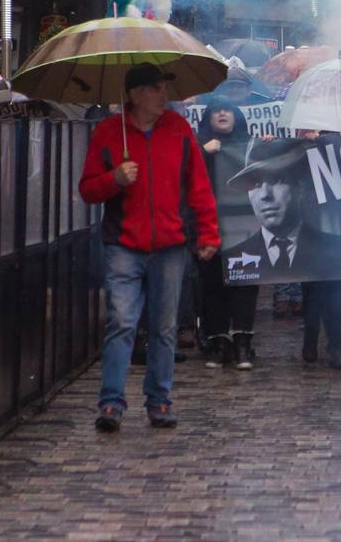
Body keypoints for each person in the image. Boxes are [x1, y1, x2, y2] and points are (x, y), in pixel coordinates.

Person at [80, 63, 220, 432]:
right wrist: (115, 178)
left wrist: (208, 233)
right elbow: (87, 189)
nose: (165, 96)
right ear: (136, 94)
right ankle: (111, 403)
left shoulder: (179, 130)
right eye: (157, 89)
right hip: (124, 244)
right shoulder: (109, 133)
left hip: (171, 245)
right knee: (122, 322)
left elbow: (198, 186)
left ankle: (159, 400)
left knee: (165, 326)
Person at [226, 138, 341, 370]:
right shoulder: (238, 253)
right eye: (255, 184)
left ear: (299, 186)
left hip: (322, 241)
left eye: (278, 180)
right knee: (314, 293)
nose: (265, 194)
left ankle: (335, 344)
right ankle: (313, 337)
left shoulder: (328, 244)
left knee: (331, 291)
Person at [194, 101, 259, 369]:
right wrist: (201, 153)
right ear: (208, 118)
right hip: (209, 227)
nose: (222, 114)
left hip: (244, 227)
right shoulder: (198, 146)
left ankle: (242, 343)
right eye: (216, 110)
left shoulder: (251, 145)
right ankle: (220, 343)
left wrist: (266, 146)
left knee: (244, 285)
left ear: (237, 117)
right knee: (213, 286)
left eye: (228, 110)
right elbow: (179, 173)